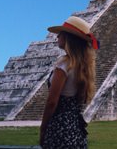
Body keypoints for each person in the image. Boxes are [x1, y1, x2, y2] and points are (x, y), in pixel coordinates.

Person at [40, 16, 99, 148]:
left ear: (68, 38)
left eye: (60, 34)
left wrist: (43, 128)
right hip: (76, 127)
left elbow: (51, 102)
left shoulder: (64, 65)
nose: (57, 37)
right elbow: (80, 99)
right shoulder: (83, 66)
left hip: (60, 127)